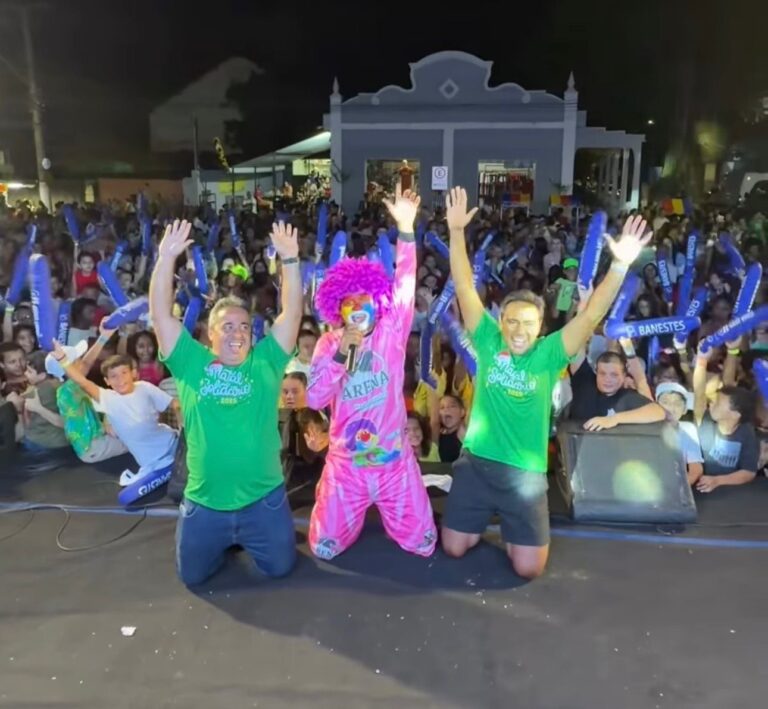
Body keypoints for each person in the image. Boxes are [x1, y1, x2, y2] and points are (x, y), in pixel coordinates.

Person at [441, 186, 651, 579]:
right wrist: (455, 232)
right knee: (453, 549)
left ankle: (512, 524)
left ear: (540, 329)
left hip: (524, 474)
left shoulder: (549, 353)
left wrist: (619, 265)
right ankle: (485, 518)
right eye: (512, 322)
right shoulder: (487, 340)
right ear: (500, 322)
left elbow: (589, 320)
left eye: (529, 324)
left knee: (528, 570)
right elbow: (465, 285)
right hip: (478, 466)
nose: (519, 330)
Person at [150, 219, 303, 586]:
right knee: (193, 578)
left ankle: (248, 538)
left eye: (245, 327)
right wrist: (165, 258)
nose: (238, 333)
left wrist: (292, 261)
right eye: (229, 327)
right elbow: (159, 314)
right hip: (205, 504)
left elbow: (292, 314)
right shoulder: (190, 361)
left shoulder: (266, 362)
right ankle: (222, 543)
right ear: (210, 334)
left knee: (280, 569)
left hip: (262, 501)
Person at [306, 186, 437, 560]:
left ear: (376, 303)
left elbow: (407, 285)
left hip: (393, 462)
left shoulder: (391, 332)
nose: (358, 310)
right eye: (350, 304)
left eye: (365, 302)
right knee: (324, 548)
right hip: (346, 466)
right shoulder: (329, 344)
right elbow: (315, 398)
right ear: (338, 308)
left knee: (424, 545)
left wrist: (407, 231)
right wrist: (340, 356)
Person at [51, 346, 179, 486]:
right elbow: (82, 382)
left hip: (174, 443)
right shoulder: (107, 399)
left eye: (124, 372)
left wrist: (184, 425)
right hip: (154, 462)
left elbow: (174, 404)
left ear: (133, 373)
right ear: (107, 381)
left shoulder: (145, 387)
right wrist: (62, 360)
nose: (120, 379)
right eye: (114, 376)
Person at [693, 347, 759, 492]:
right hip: (698, 489)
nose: (711, 404)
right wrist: (702, 360)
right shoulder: (705, 420)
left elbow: (749, 472)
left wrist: (718, 481)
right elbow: (699, 392)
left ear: (735, 414)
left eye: (717, 403)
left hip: (730, 497)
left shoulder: (746, 432)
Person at [568, 350, 666, 430]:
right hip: (574, 447)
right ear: (596, 371)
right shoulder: (585, 382)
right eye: (602, 373)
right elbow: (575, 346)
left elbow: (658, 412)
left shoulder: (627, 397)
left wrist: (613, 419)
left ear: (624, 376)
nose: (607, 379)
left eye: (614, 375)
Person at [655, 382, 704, 486]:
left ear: (685, 409)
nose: (671, 408)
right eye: (665, 402)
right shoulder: (648, 428)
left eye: (677, 404)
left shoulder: (688, 429)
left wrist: (682, 489)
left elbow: (696, 468)